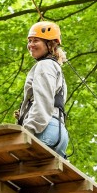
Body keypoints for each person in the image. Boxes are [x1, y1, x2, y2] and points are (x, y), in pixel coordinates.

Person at [15, 21, 69, 158]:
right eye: (30, 41)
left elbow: (43, 102)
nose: (31, 45)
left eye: (36, 40)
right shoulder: (55, 68)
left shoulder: (44, 65)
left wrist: (27, 131)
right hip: (57, 132)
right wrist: (24, 114)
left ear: (50, 44)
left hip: (44, 130)